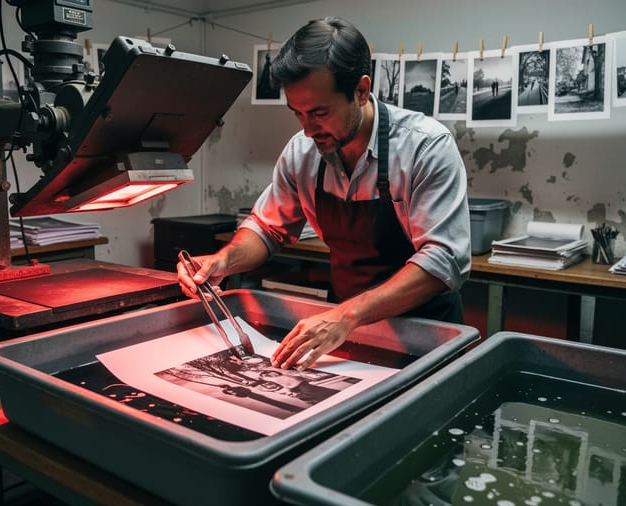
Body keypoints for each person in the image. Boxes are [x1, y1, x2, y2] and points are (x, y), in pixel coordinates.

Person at [177, 16, 470, 370]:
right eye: (297, 113)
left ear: (361, 90)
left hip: (426, 336)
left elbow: (443, 261)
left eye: (320, 112)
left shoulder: (426, 147)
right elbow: (268, 228)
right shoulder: (302, 153)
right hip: (345, 337)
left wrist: (347, 316)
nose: (308, 128)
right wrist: (224, 261)